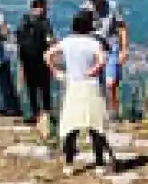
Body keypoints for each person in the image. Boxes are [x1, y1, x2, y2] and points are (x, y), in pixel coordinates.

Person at [47, 9, 113, 171]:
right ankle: (99, 163)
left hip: (73, 85)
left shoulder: (67, 41)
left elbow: (48, 54)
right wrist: (95, 69)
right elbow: (103, 58)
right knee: (95, 125)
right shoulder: (93, 42)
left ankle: (69, 163)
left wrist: (56, 71)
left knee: (71, 126)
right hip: (91, 85)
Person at [84, 0, 128, 118]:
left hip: (111, 46)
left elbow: (122, 28)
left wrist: (124, 49)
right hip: (93, 49)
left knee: (111, 82)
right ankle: (98, 112)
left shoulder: (113, 6)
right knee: (96, 83)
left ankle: (113, 112)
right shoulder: (86, 9)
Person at [16, 0, 57, 125]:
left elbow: (18, 39)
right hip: (40, 58)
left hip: (27, 58)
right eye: (44, 8)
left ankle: (34, 114)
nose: (45, 11)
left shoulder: (24, 21)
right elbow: (50, 39)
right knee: (43, 88)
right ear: (39, 7)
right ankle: (45, 114)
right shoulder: (44, 22)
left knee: (32, 88)